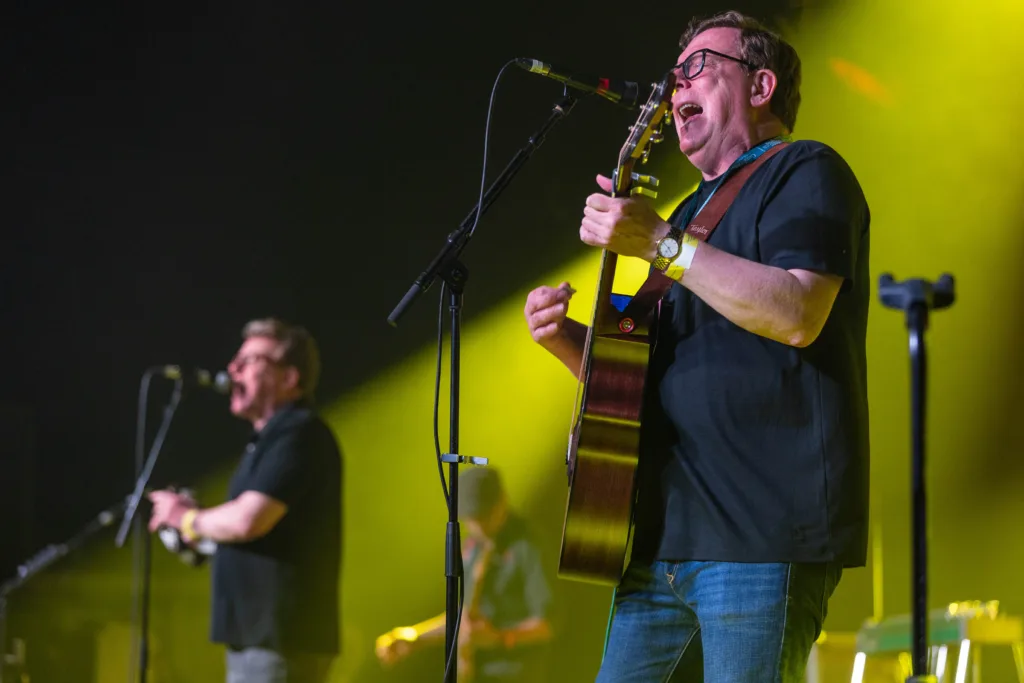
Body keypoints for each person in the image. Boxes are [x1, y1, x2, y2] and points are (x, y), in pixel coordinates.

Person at [523, 10, 870, 683]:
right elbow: (635, 380)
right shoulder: (684, 216)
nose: (675, 84)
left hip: (760, 541)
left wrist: (659, 243)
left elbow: (798, 313)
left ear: (761, 85)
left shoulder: (807, 169)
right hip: (660, 546)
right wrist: (570, 343)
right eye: (674, 71)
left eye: (698, 66)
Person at [148, 318, 343, 683]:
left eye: (251, 360)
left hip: (279, 642)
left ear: (289, 378)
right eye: (236, 360)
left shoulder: (300, 433)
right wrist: (194, 531)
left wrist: (187, 519)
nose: (233, 369)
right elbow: (254, 533)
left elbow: (247, 521)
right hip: (258, 640)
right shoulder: (268, 442)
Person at [374, 467, 553, 682]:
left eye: (484, 516)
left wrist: (499, 638)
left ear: (502, 501)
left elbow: (548, 624)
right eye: (471, 518)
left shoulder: (530, 545)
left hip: (515, 675)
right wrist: (414, 637)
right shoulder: (473, 547)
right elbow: (465, 617)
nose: (477, 525)